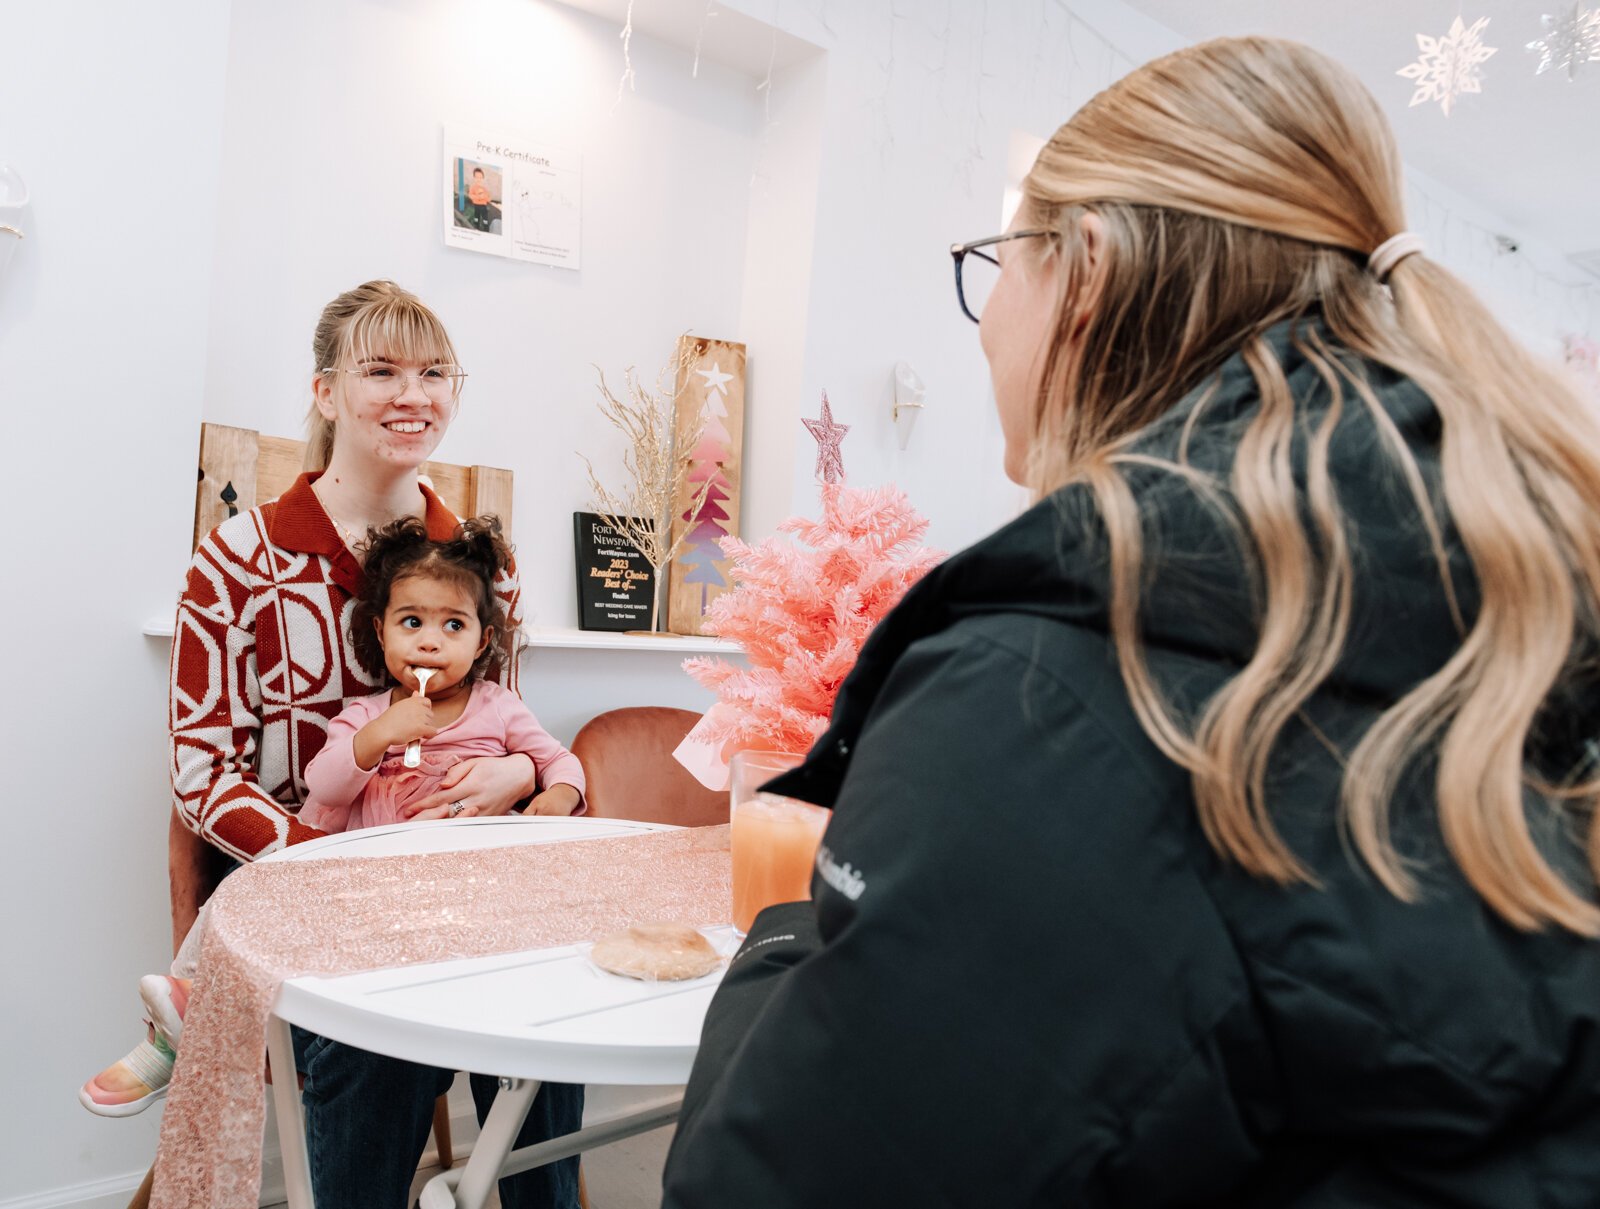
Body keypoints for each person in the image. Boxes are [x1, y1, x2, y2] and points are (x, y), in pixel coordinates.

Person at [661, 37, 1600, 1209]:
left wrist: (788, 940)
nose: (988, 312)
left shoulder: (1045, 696)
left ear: (1086, 268)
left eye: (999, 258)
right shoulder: (1504, 607)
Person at [85, 281, 586, 1209]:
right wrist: (331, 863)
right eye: (383, 370)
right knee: (376, 1046)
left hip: (458, 884)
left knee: (553, 1021)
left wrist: (521, 771)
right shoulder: (239, 559)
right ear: (325, 393)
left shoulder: (486, 563)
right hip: (308, 897)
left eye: (435, 373)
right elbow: (201, 772)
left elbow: (506, 716)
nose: (414, 393)